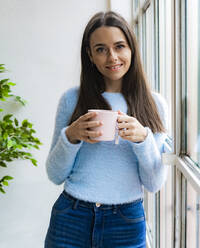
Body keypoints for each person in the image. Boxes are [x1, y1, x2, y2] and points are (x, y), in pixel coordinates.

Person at [44, 11, 168, 248]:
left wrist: (143, 139)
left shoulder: (154, 105)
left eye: (119, 46)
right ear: (90, 55)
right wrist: (71, 136)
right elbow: (55, 174)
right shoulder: (72, 99)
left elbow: (153, 183)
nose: (112, 57)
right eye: (101, 49)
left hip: (126, 222)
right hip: (71, 217)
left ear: (132, 49)